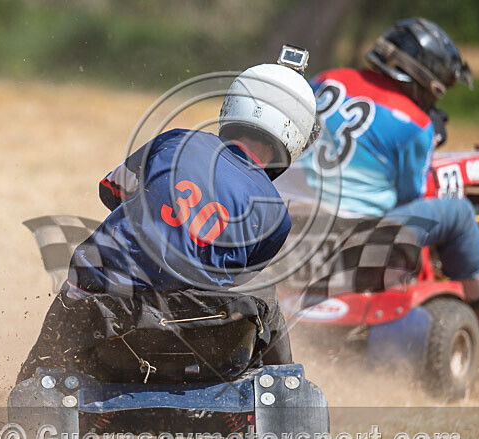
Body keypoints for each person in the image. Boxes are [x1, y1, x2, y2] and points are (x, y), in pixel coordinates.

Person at [17, 61, 317, 384]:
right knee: (266, 296)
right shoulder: (277, 216)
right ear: (296, 134)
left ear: (233, 104)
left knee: (85, 273)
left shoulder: (175, 141)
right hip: (203, 336)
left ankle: (32, 378)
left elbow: (111, 190)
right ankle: (284, 387)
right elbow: (235, 279)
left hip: (109, 317)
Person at [282, 17, 479, 307]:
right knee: (460, 212)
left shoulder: (327, 78)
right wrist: (429, 137)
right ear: (429, 83)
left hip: (285, 221)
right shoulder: (416, 123)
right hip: (352, 240)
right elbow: (409, 197)